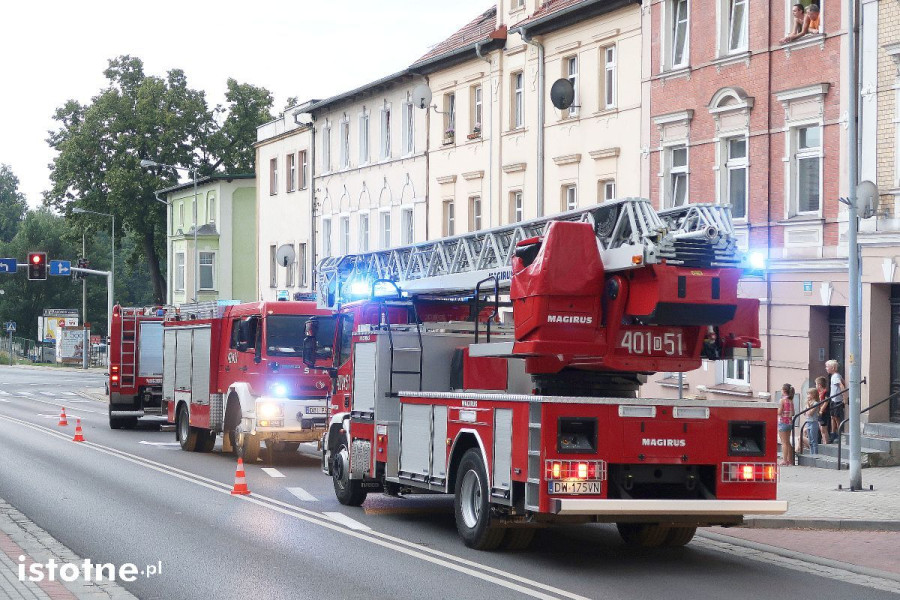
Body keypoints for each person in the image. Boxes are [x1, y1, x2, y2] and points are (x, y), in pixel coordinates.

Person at [827, 359, 847, 443]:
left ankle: (838, 433)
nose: (826, 368)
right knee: (832, 417)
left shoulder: (835, 376)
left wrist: (844, 397)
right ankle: (833, 432)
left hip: (836, 400)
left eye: (827, 367)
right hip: (833, 399)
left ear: (833, 368)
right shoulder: (836, 376)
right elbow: (843, 382)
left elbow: (841, 385)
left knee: (836, 417)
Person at [778, 383, 795, 465]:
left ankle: (785, 460)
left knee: (783, 442)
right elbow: (793, 412)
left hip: (783, 422)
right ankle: (790, 460)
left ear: (784, 391)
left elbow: (779, 412)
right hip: (789, 422)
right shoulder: (791, 400)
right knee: (788, 442)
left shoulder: (782, 400)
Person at [805, 389, 820, 456]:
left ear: (813, 395)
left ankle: (815, 454)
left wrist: (808, 406)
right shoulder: (808, 403)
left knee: (814, 440)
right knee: (810, 441)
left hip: (813, 422)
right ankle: (811, 454)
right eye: (807, 394)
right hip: (808, 422)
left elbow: (810, 413)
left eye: (809, 394)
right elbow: (805, 413)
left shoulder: (815, 403)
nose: (808, 396)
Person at [815, 375, 831, 443]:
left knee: (823, 429)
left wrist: (821, 410)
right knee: (821, 429)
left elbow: (826, 401)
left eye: (816, 384)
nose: (815, 385)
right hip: (819, 412)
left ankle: (826, 442)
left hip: (824, 412)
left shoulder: (825, 392)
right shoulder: (819, 392)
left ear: (819, 385)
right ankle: (824, 441)